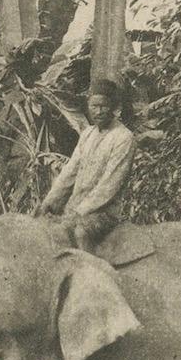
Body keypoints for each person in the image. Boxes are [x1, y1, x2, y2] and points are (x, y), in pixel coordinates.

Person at [35, 78, 138, 252]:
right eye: (94, 106)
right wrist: (49, 202)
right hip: (75, 206)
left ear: (113, 107)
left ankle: (91, 274)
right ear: (88, 107)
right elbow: (69, 173)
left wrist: (79, 211)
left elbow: (110, 185)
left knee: (81, 233)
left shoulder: (123, 137)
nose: (98, 111)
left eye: (103, 106)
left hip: (104, 212)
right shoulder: (87, 134)